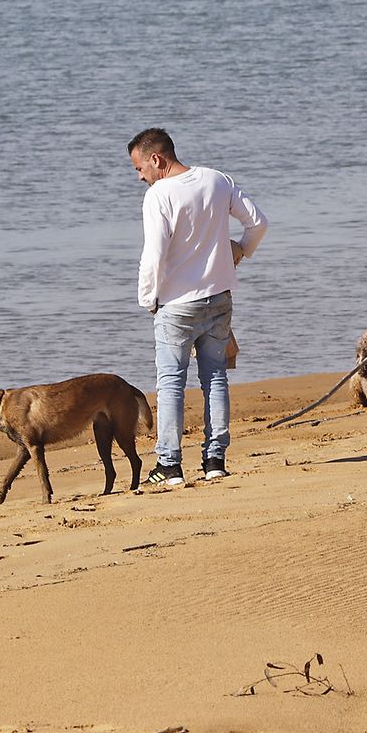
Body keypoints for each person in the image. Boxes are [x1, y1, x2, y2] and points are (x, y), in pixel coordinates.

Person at [128, 128, 268, 485]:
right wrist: (241, 250)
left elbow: (154, 254)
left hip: (176, 306)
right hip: (219, 298)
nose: (140, 176)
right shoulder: (216, 180)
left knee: (171, 383)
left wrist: (147, 299)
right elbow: (259, 222)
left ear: (156, 159)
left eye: (140, 168)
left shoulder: (158, 195)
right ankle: (215, 460)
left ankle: (170, 465)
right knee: (215, 377)